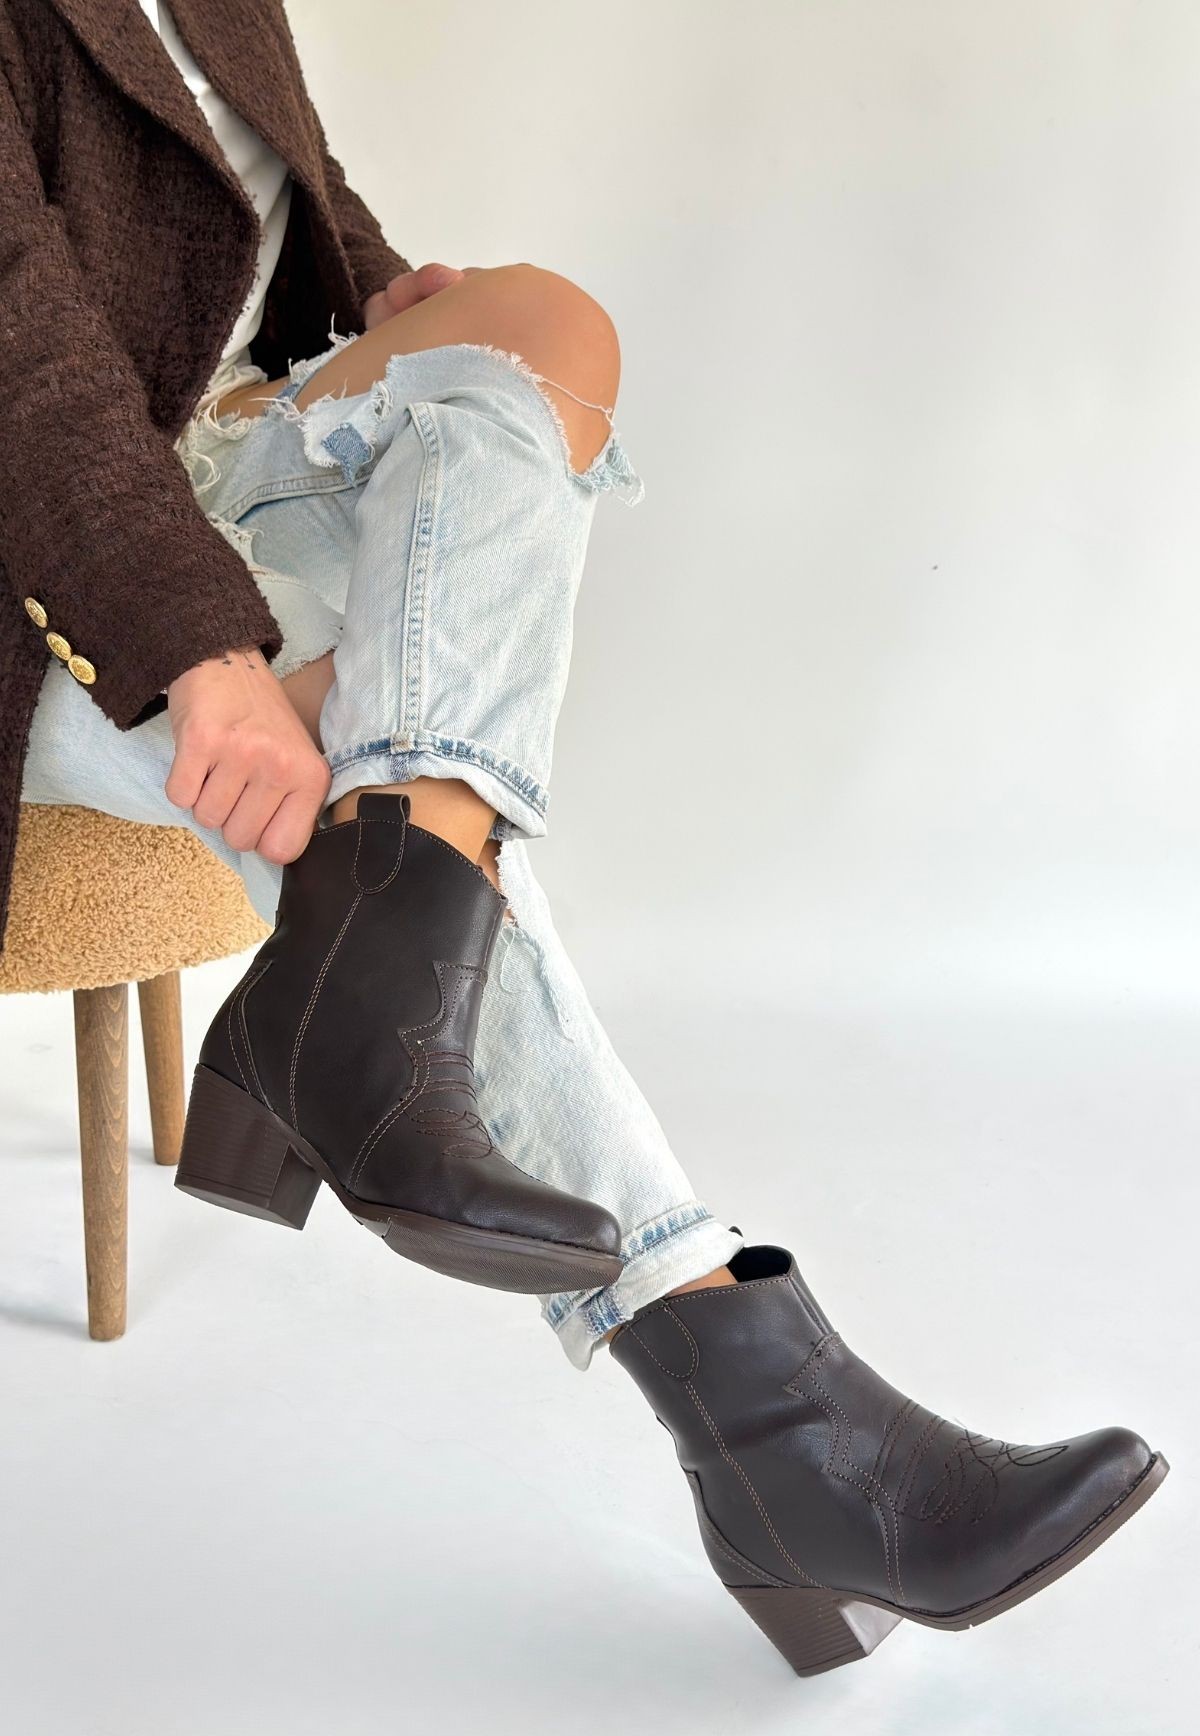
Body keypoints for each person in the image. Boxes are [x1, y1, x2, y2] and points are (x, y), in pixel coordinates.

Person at [2, 0, 1165, 1679]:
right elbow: (24, 352)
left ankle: (360, 1007)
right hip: (40, 559)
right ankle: (776, 1419)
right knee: (372, 749)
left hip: (211, 454)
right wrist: (201, 655)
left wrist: (382, 295)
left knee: (539, 333)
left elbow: (273, 185)